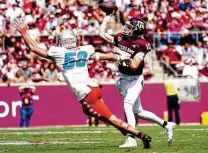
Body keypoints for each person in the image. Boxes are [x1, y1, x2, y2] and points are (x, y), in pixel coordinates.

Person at [13, 17, 152, 149]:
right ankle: (122, 129)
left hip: (86, 93)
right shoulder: (85, 50)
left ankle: (141, 136)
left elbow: (34, 48)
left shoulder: (59, 53)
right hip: (93, 88)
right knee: (87, 110)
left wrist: (24, 33)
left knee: (112, 118)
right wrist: (122, 56)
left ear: (62, 41)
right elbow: (108, 56)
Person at [99, 13, 176, 148]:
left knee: (127, 105)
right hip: (122, 78)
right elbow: (102, 34)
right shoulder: (120, 37)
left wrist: (122, 55)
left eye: (130, 26)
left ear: (136, 30)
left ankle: (131, 139)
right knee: (138, 112)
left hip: (135, 80)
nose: (126, 27)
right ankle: (166, 124)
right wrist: (107, 17)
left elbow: (135, 65)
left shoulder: (141, 44)